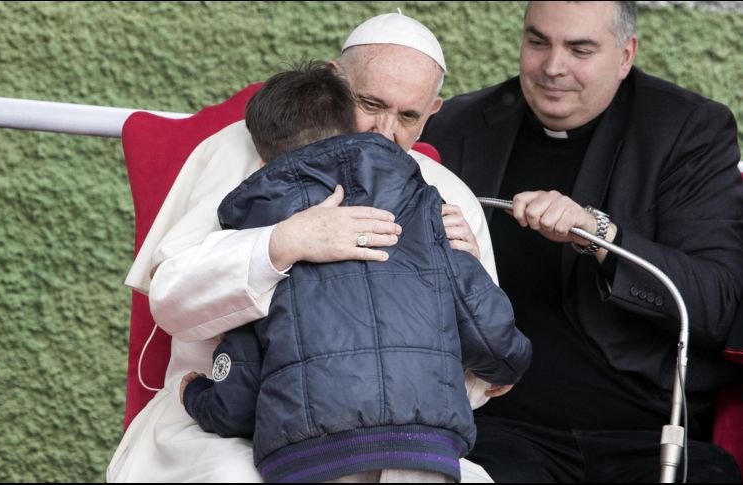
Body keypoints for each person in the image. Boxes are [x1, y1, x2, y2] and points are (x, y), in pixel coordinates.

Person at [108, 13, 502, 483]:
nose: (384, 131)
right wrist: (282, 243)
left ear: (433, 111)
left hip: (395, 433)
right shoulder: (244, 150)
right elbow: (172, 302)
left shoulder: (447, 193)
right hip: (227, 421)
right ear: (334, 81)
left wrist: (469, 272)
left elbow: (480, 380)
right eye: (370, 103)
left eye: (408, 116)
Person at [421, 1, 743, 482]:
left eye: (580, 49)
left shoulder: (688, 131)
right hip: (499, 428)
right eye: (538, 42)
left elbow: (718, 304)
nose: (553, 67)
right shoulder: (457, 126)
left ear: (625, 54)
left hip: (644, 429)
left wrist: (601, 236)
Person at [179, 62, 531, 483]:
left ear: (259, 155)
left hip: (315, 454)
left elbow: (240, 389)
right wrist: (506, 367)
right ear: (352, 125)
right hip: (423, 445)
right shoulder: (426, 205)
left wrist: (199, 395)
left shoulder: (264, 228)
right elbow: (486, 324)